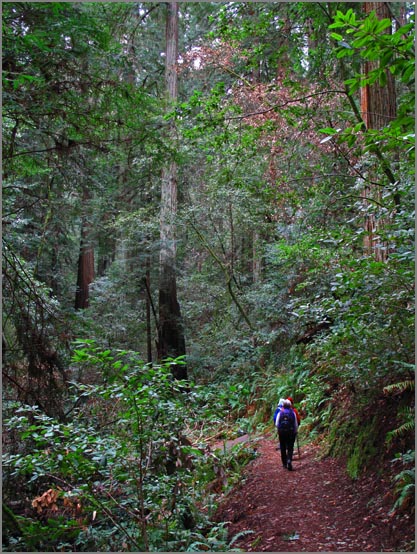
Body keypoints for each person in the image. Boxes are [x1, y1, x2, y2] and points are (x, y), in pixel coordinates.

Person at [275, 398, 298, 470]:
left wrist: (279, 429)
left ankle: (284, 463)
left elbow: (276, 423)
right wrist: (295, 431)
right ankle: (289, 460)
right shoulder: (292, 413)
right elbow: (296, 424)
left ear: (283, 405)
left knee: (283, 447)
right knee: (290, 447)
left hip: (282, 432)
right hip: (291, 432)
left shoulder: (280, 413)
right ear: (290, 405)